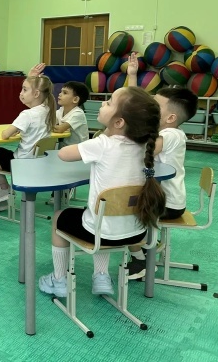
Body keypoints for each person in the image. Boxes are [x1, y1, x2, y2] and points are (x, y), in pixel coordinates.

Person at [39, 86, 166, 297]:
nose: (102, 103)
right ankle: (101, 276)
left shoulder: (102, 144)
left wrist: (106, 133)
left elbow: (63, 154)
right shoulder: (144, 147)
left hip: (100, 233)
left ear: (119, 122)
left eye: (109, 102)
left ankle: (59, 279)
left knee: (60, 217)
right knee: (102, 216)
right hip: (136, 233)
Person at [125, 52, 199, 278]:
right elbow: (135, 104)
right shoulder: (165, 129)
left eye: (155, 106)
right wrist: (132, 76)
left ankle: (141, 259)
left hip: (168, 204)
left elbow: (146, 151)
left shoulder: (172, 134)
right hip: (162, 199)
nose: (148, 108)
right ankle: (148, 244)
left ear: (170, 118)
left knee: (120, 212)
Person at [0, 63, 56, 213]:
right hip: (41, 164)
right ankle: (4, 191)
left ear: (36, 94)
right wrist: (32, 77)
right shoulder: (48, 110)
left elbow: (5, 134)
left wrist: (12, 131)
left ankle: (4, 190)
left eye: (24, 90)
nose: (21, 93)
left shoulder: (27, 115)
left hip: (23, 164)